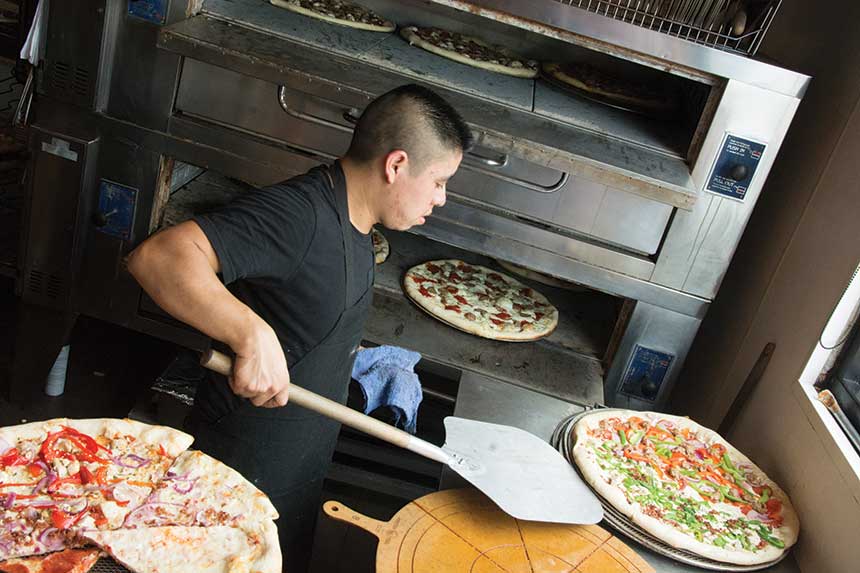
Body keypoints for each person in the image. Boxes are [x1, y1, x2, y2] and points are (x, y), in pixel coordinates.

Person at [127, 83, 473, 571]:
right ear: (396, 165)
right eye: (439, 181)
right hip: (233, 485)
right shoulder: (301, 215)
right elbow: (159, 257)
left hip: (295, 473)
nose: (441, 198)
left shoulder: (356, 223)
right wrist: (251, 332)